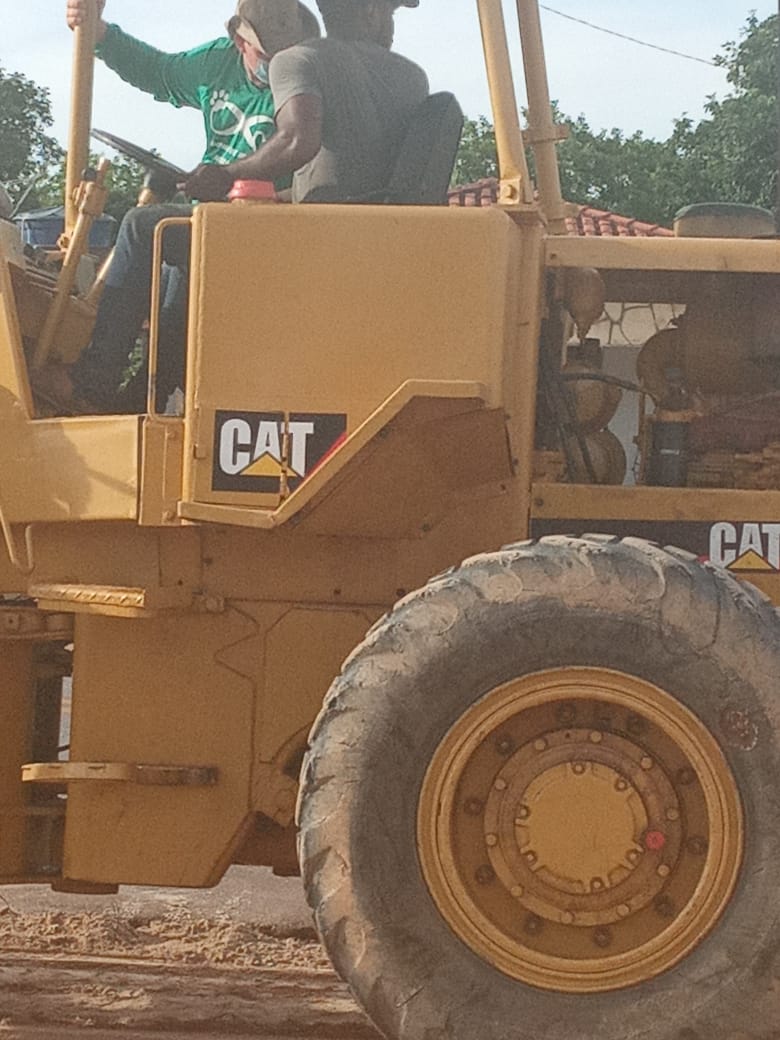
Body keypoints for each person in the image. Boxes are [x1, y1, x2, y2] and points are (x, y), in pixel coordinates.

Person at [49, 0, 320, 412]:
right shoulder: (216, 63)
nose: (277, 67)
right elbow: (159, 72)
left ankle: (95, 378)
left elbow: (309, 164)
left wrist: (235, 183)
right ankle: (136, 406)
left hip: (266, 228)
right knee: (176, 286)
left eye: (286, 56)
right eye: (268, 56)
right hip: (211, 219)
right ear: (240, 42)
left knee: (142, 228)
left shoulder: (307, 85)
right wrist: (99, 33)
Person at [187, 0, 429, 204]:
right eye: (391, 14)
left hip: (320, 233)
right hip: (388, 230)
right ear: (370, 12)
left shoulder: (298, 60)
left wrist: (225, 174)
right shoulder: (413, 77)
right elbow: (370, 180)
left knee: (164, 228)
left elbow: (296, 141)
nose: (392, 27)